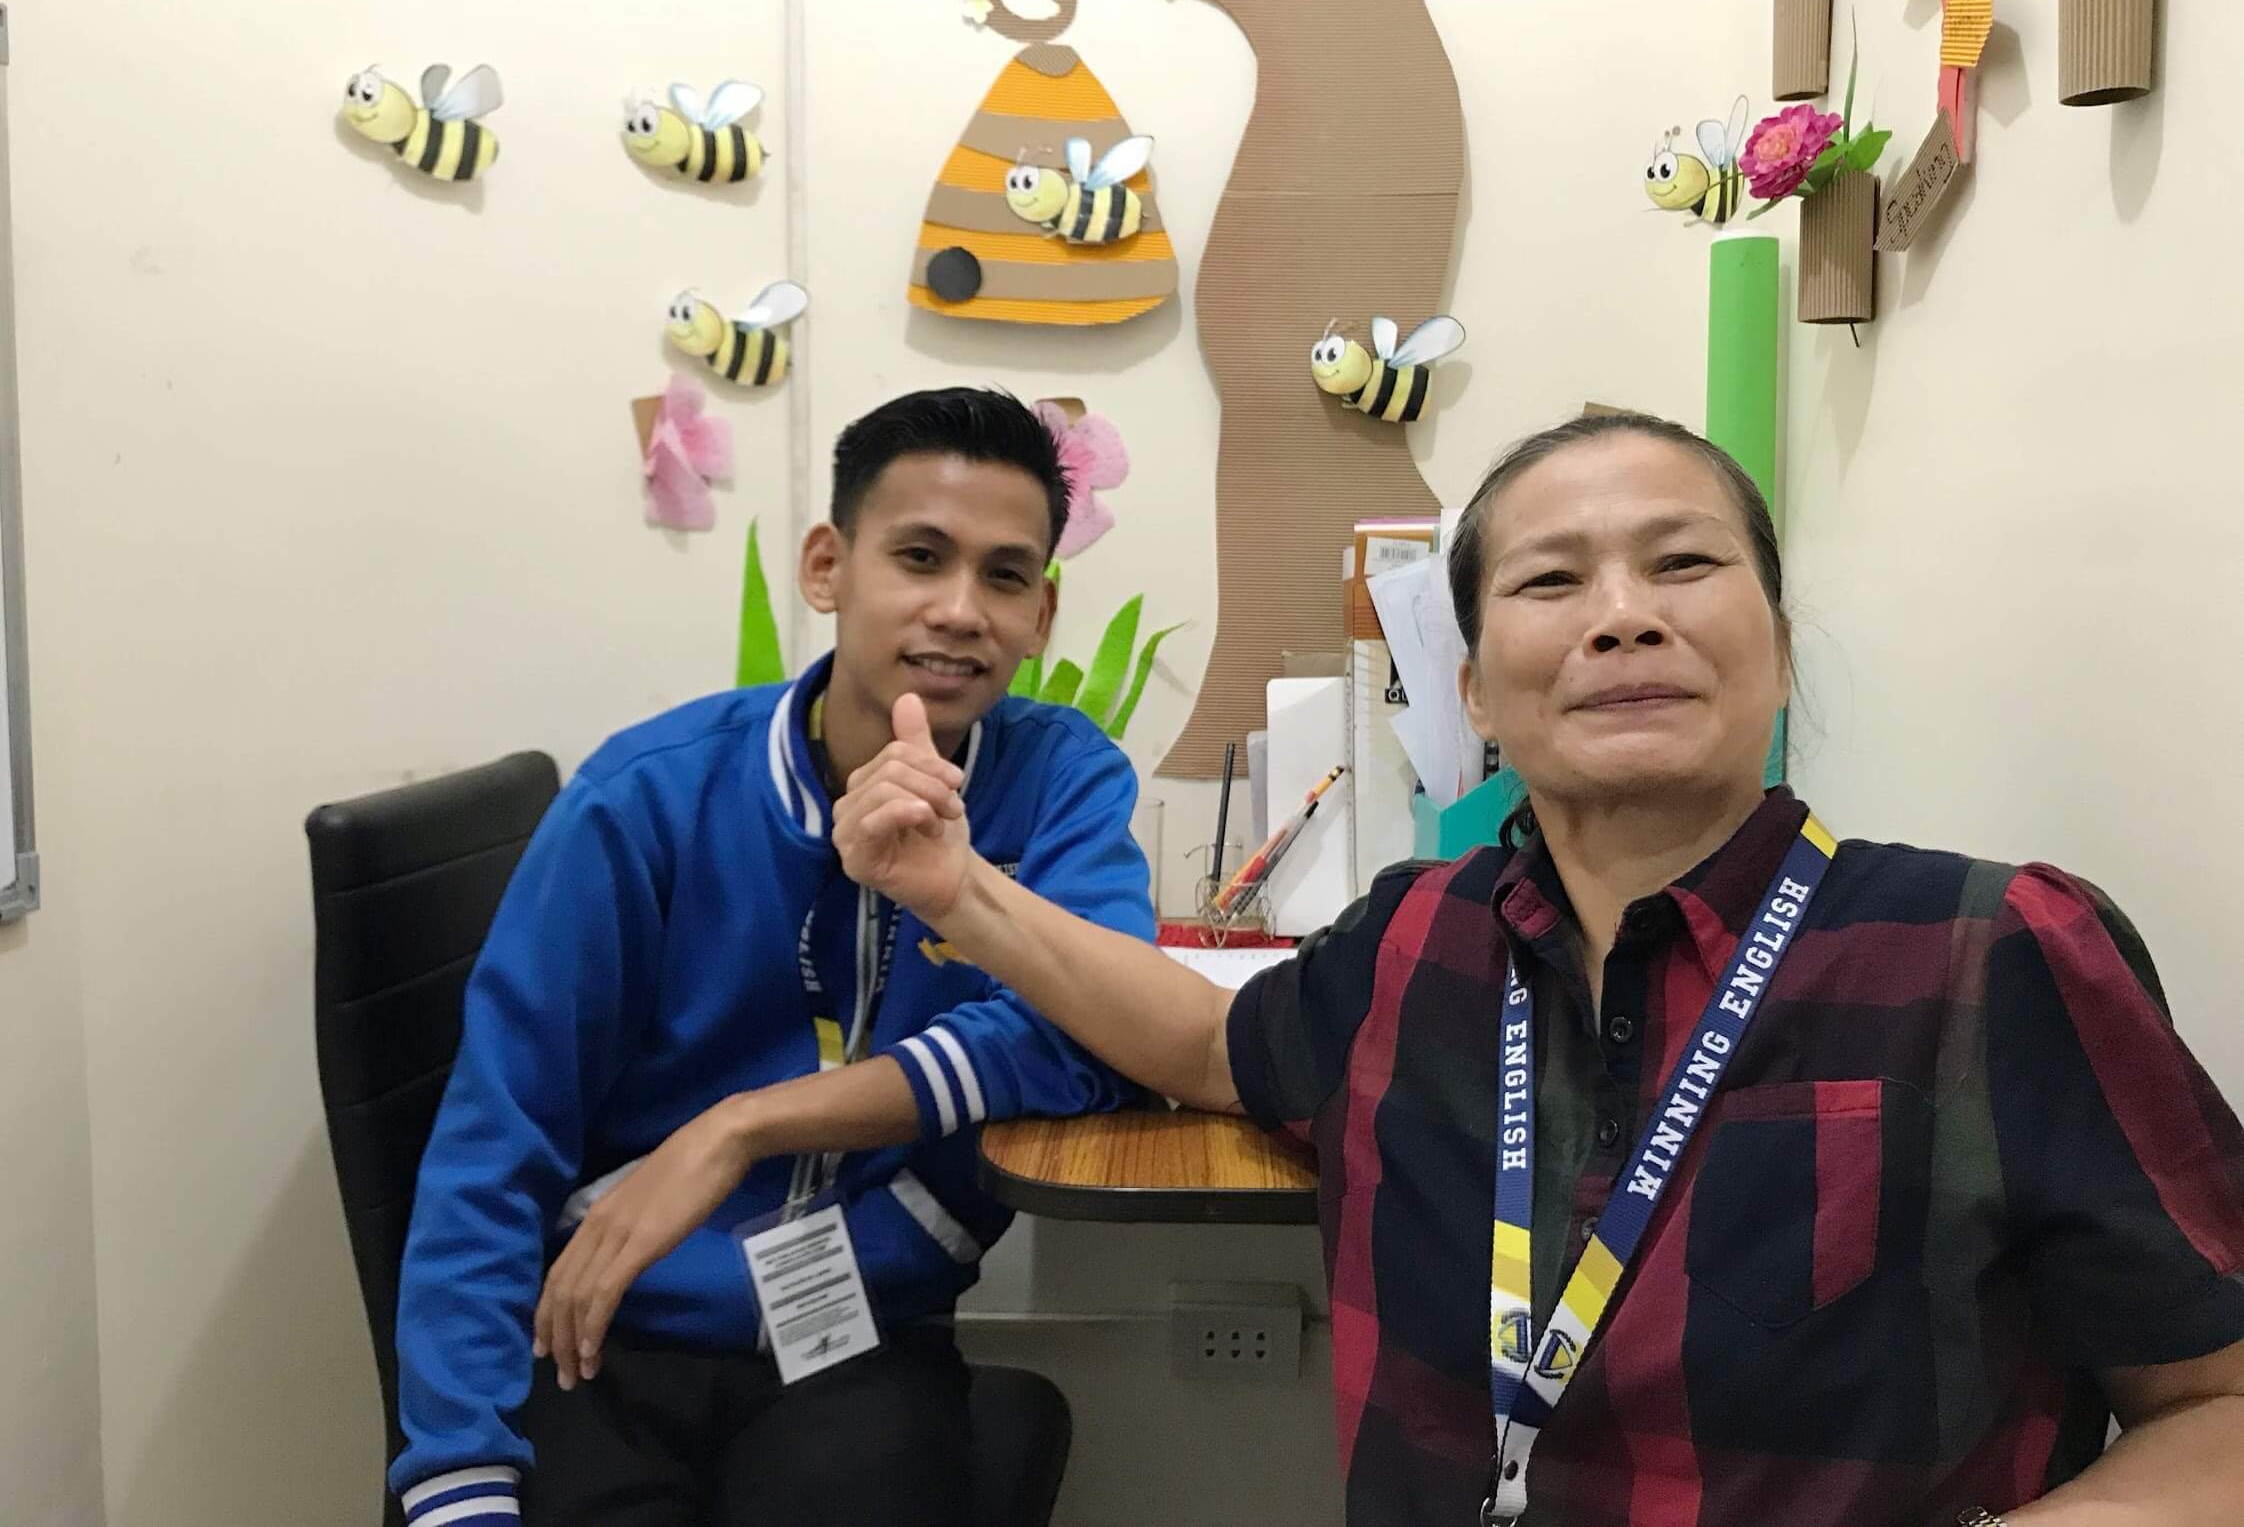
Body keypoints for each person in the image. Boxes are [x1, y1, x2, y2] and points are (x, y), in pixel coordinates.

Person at [816, 410, 2244, 1526]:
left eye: (1683, 564)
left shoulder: (1988, 954)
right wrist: (959, 890)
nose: (1622, 615)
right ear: (1476, 694)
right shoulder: (1414, 941)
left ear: (1779, 649)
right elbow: (1202, 1045)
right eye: (1553, 580)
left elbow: (2217, 1404)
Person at [389, 388, 1156, 1527]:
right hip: (609, 1328)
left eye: (1004, 576)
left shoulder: (1058, 780)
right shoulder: (648, 798)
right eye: (919, 557)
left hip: (862, 1332)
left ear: (1041, 612)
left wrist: (744, 1125)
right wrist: (456, 1471)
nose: (960, 610)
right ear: (826, 567)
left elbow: (1097, 1032)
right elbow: (496, 1140)